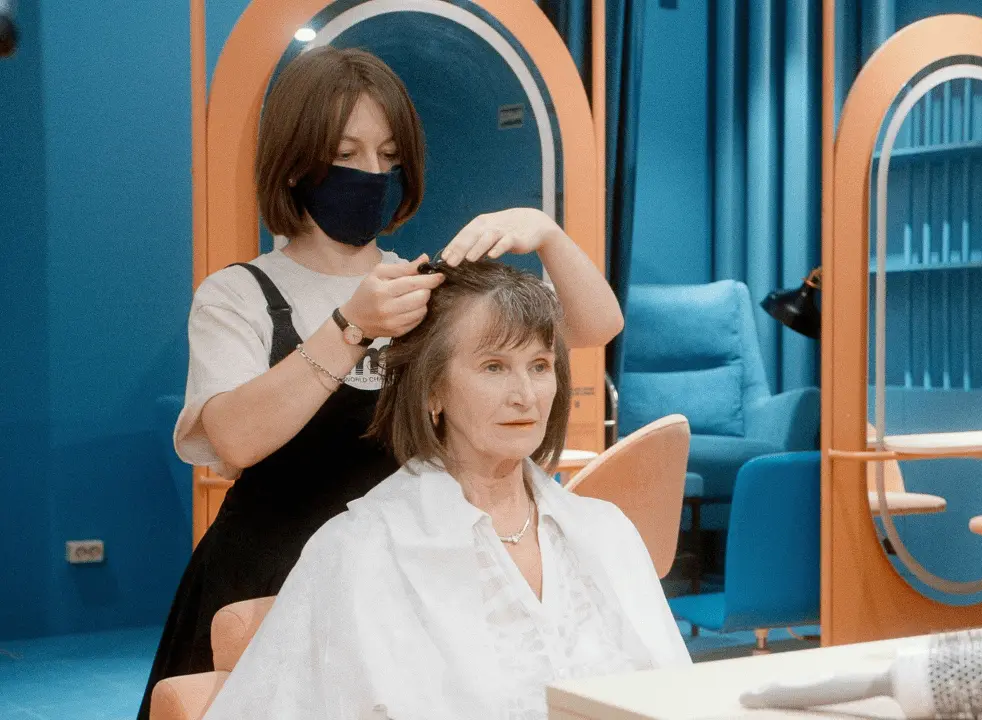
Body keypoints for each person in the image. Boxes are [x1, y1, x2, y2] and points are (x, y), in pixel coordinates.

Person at [139, 47, 623, 718]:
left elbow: (596, 324)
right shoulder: (240, 295)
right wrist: (348, 327)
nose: (372, 174)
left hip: (409, 572)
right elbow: (234, 440)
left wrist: (545, 234)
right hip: (268, 568)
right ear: (297, 161)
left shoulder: (424, 287)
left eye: (389, 156)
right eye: (347, 154)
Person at [200, 260, 688, 720]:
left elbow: (676, 697)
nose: (525, 394)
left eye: (539, 366)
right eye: (494, 367)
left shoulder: (606, 532)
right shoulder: (360, 549)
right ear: (432, 390)